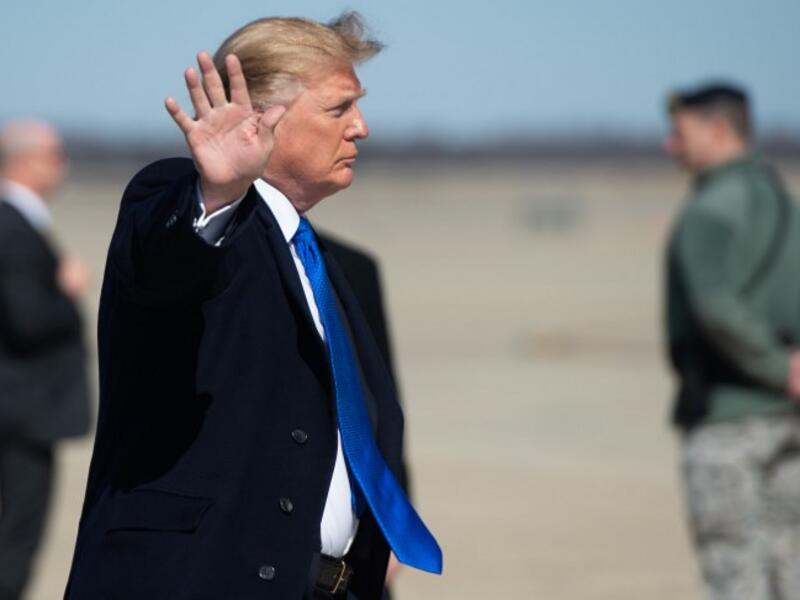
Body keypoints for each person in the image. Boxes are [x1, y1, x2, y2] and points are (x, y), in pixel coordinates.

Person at [65, 13, 441, 600]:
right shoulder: (190, 208)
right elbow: (166, 270)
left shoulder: (322, 261)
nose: (361, 128)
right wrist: (216, 193)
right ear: (259, 116)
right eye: (339, 109)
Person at [664, 83, 800, 599]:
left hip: (729, 419)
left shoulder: (710, 210)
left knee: (735, 571)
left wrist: (777, 367)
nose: (670, 145)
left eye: (680, 133)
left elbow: (714, 305)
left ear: (719, 130)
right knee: (789, 567)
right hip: (789, 418)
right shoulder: (781, 200)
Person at [0, 120, 91, 600]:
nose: (63, 166)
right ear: (25, 160)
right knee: (15, 538)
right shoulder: (12, 224)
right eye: (55, 155)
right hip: (20, 414)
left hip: (17, 411)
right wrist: (65, 290)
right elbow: (27, 320)